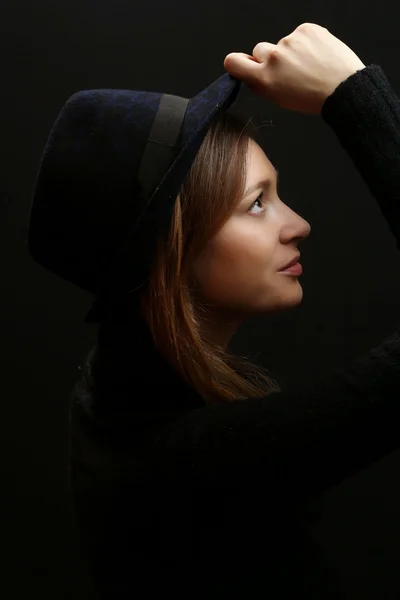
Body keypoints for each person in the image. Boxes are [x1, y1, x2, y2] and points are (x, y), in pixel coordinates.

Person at [28, 22, 400, 599]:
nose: (299, 225)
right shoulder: (184, 465)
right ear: (171, 249)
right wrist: (353, 95)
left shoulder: (118, 399)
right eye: (257, 205)